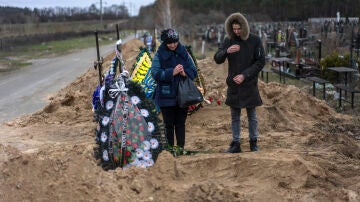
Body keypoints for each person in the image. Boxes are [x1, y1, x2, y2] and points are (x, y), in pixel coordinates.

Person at [214, 12, 265, 153]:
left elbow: (260, 61)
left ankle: (253, 142)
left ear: (244, 27)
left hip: (249, 83)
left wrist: (245, 75)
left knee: (252, 115)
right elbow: (217, 58)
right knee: (235, 116)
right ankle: (236, 144)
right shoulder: (228, 40)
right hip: (234, 84)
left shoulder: (255, 40)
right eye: (234, 29)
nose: (236, 32)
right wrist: (226, 51)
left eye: (239, 29)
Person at [150, 28, 198, 151]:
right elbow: (155, 73)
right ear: (165, 43)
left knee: (181, 123)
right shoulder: (159, 54)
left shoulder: (184, 52)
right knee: (168, 124)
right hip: (166, 95)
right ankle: (170, 149)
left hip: (183, 95)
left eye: (175, 42)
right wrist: (172, 72)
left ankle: (180, 148)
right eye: (170, 43)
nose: (173, 45)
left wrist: (184, 73)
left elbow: (193, 71)